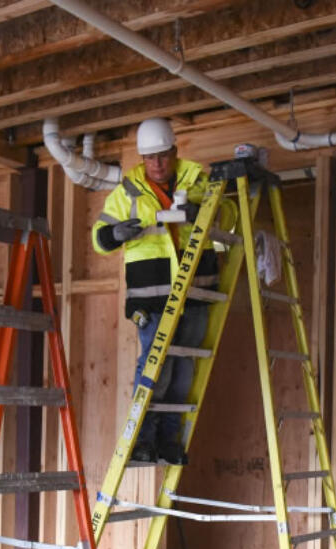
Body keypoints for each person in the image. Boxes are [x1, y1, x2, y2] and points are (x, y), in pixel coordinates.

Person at [92, 117, 220, 466]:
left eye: (163, 156)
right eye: (151, 158)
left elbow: (230, 219)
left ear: (174, 152)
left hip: (196, 293)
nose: (158, 164)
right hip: (153, 299)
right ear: (142, 159)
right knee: (156, 369)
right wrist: (116, 234)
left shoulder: (199, 184)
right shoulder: (127, 194)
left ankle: (169, 441)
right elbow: (99, 237)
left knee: (183, 371)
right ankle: (144, 440)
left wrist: (200, 213)